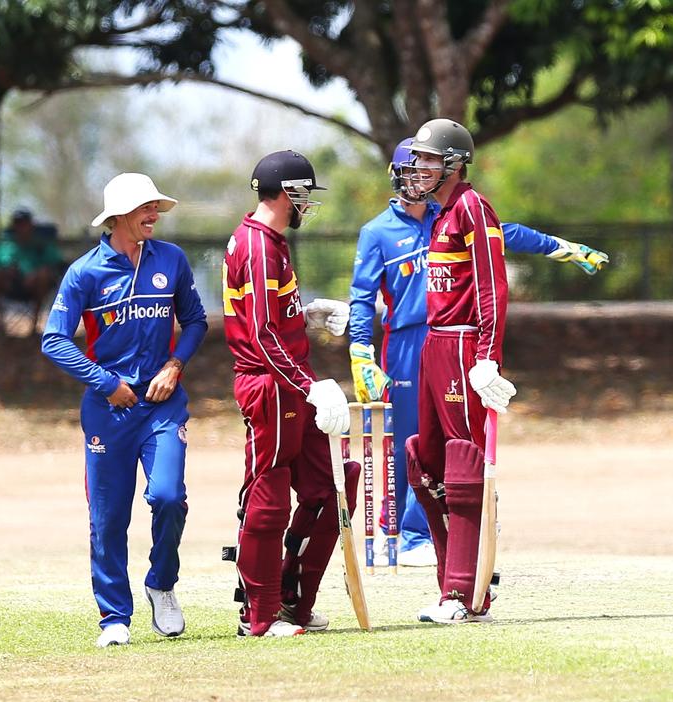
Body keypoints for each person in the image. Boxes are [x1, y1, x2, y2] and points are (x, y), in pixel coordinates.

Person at [349, 139, 609, 567]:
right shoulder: (377, 232)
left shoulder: (448, 215)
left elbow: (505, 236)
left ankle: (445, 526)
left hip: (453, 339)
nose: (418, 178)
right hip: (406, 342)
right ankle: (402, 534)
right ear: (397, 176)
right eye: (411, 170)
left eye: (425, 168)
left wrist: (560, 247)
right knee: (410, 438)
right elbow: (361, 298)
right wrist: (361, 351)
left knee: (457, 436)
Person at [41, 173, 208, 647]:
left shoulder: (171, 260)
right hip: (108, 412)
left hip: (162, 406)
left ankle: (162, 581)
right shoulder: (85, 273)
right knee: (109, 518)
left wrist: (175, 365)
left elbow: (194, 320)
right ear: (118, 217)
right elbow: (54, 341)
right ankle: (114, 616)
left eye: (155, 207)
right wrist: (106, 382)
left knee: (168, 496)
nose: (154, 214)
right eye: (144, 208)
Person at [222, 149, 354, 638]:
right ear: (290, 192)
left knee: (330, 489)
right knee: (269, 497)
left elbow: (274, 316)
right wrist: (309, 384)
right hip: (272, 385)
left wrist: (308, 314)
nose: (307, 205)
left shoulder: (271, 242)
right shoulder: (257, 246)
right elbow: (259, 333)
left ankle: (293, 600)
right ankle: (259, 614)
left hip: (291, 383)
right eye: (304, 195)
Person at [393, 118, 519, 624]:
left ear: (452, 163)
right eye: (416, 159)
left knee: (465, 464)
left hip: (465, 343)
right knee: (424, 461)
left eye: (427, 159)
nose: (417, 168)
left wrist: (488, 354)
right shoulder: (440, 215)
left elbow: (493, 286)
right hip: (432, 343)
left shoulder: (472, 208)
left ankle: (467, 594)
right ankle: (453, 580)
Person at [0, 208, 63, 336]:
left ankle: (34, 326)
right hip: (7, 285)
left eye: (24, 223)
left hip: (35, 286)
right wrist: (5, 274)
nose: (21, 227)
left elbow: (56, 263)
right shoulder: (4, 244)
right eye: (18, 223)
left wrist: (35, 274)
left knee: (44, 275)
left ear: (31, 225)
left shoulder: (41, 243)